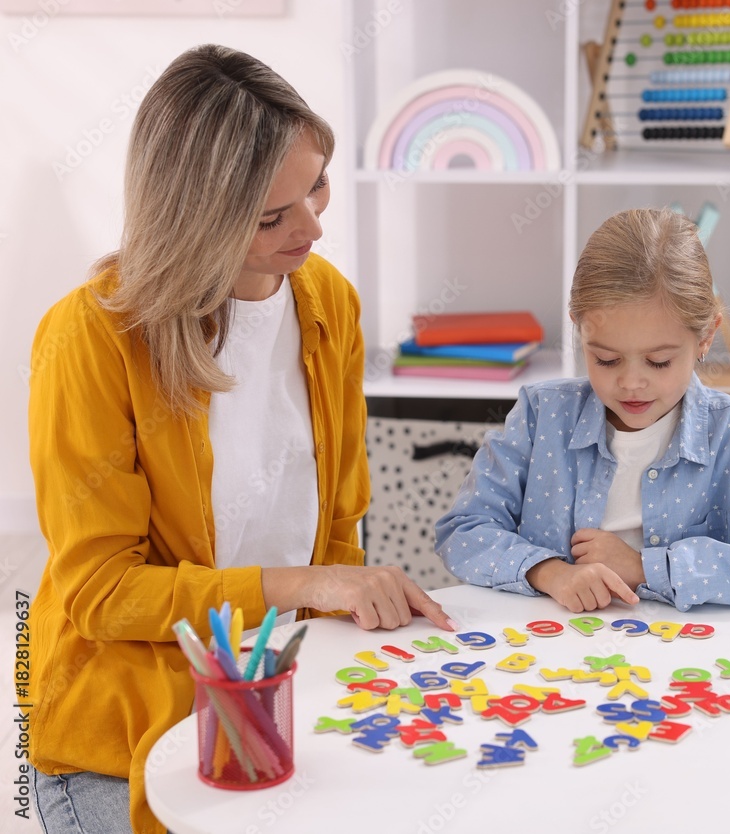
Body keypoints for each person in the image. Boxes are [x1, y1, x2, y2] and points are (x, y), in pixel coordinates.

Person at [24, 44, 454, 834]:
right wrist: (299, 585)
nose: (315, 226)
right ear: (196, 219)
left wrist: (337, 637)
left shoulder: (329, 303)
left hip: (280, 690)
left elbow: (336, 528)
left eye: (316, 183)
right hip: (124, 729)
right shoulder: (90, 338)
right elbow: (101, 593)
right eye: (271, 217)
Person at [436, 207, 730, 614]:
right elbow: (463, 531)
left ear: (706, 337)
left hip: (687, 654)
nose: (631, 383)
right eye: (607, 360)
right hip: (552, 649)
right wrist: (550, 573)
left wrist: (644, 567)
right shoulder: (541, 415)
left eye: (659, 362)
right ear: (579, 329)